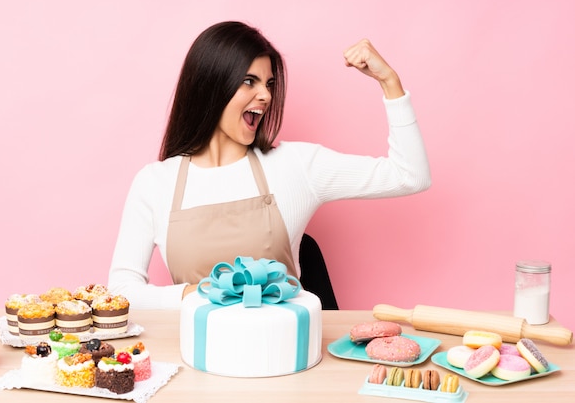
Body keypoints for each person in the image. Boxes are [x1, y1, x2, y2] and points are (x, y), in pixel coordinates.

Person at [107, 21, 431, 309]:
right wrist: (199, 293)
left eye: (269, 84)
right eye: (249, 81)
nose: (265, 95)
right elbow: (122, 291)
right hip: (199, 358)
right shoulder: (155, 182)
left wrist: (389, 81)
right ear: (210, 86)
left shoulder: (295, 167)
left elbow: (410, 176)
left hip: (285, 361)